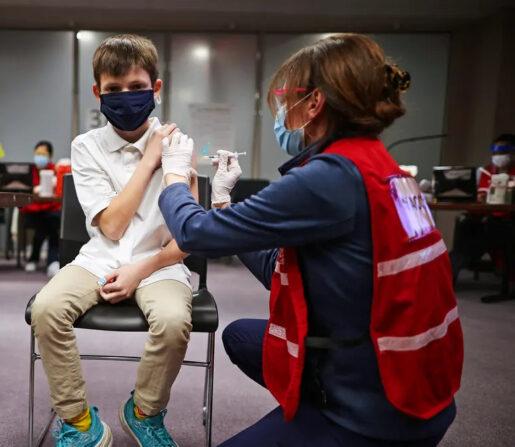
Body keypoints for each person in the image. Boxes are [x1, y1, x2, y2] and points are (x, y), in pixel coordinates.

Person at [158, 34, 462, 446]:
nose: (281, 112)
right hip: (414, 380)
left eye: (284, 99)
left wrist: (175, 177)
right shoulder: (385, 168)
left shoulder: (329, 178)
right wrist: (224, 201)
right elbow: (279, 269)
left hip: (377, 409)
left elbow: (195, 234)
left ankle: (328, 425)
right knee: (242, 337)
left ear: (315, 103)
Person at [30, 34, 199, 447]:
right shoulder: (86, 146)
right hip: (98, 259)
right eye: (114, 90)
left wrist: (143, 268)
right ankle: (79, 423)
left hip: (160, 262)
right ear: (98, 93)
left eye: (137, 88)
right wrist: (148, 160)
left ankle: (143, 412)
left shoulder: (180, 146)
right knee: (47, 309)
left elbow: (191, 234)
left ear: (156, 89)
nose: (126, 97)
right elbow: (112, 227)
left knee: (175, 322)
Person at [449, 134, 515, 283]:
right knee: (468, 226)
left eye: (503, 152)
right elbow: (481, 197)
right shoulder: (487, 172)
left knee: (490, 230)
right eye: (495, 152)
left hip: (508, 219)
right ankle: (448, 273)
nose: (498, 156)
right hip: (485, 218)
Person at [21, 140, 62, 276]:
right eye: (37, 153)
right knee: (47, 224)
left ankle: (34, 259)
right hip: (32, 211)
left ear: (50, 156)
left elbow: (59, 192)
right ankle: (52, 262)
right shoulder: (28, 171)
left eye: (43, 153)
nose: (40, 157)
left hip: (51, 209)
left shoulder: (56, 170)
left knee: (52, 221)